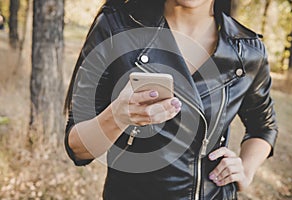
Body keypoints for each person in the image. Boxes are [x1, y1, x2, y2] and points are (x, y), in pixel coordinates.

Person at [64, 0, 278, 199]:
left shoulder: (247, 51)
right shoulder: (116, 26)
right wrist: (118, 116)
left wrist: (246, 170)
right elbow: (77, 147)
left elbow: (264, 127)